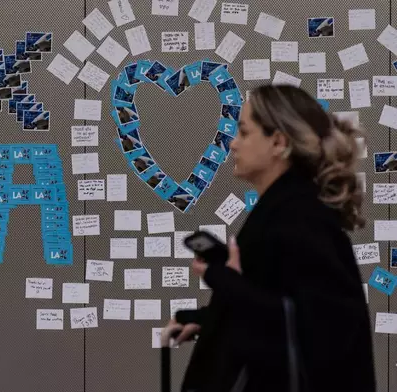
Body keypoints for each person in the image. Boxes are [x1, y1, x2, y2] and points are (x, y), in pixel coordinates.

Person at [161, 85, 376, 392]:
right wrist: (210, 319)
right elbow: (278, 305)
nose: (233, 144)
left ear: (278, 142)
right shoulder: (285, 209)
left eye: (245, 133)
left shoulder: (298, 218)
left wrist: (224, 281)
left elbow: (316, 330)